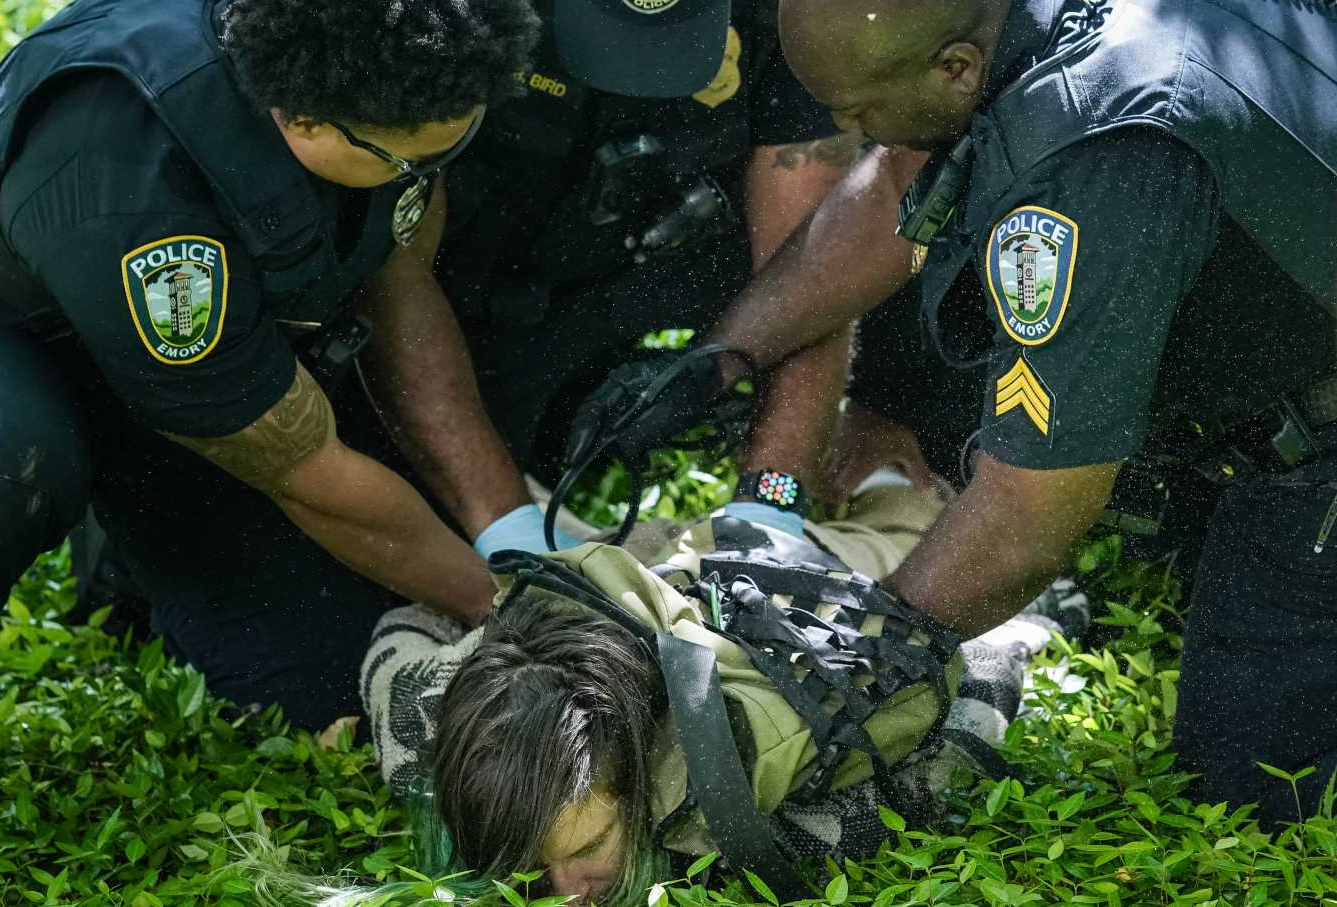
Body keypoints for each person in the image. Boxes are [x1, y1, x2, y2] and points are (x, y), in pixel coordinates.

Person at [0, 0, 543, 768]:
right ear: (305, 121)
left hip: (229, 359)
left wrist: (515, 537)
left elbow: (395, 267)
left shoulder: (389, 70)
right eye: (411, 163)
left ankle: (126, 550)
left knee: (351, 627)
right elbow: (304, 467)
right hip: (3, 333)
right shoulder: (136, 179)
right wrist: (510, 607)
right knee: (4, 456)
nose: (432, 173)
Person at [751, 0, 1337, 821]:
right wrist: (727, 350)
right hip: (1286, 331)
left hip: (1313, 444)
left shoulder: (1102, 159)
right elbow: (892, 181)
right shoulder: (1035, 32)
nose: (844, 126)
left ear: (955, 68)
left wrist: (855, 657)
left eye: (855, 110)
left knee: (1253, 793)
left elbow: (1025, 520)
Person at [347, 477, 1088, 904]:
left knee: (914, 502)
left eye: (589, 849)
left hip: (805, 591)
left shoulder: (761, 813)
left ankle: (888, 468)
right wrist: (493, 632)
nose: (569, 892)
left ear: (638, 780)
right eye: (537, 870)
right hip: (639, 568)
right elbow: (399, 626)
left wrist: (1031, 629)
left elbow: (980, 669)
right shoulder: (425, 728)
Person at [431, 0, 879, 540]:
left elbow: (811, 268)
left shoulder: (797, 17)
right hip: (440, 297)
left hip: (619, 298)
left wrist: (770, 507)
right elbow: (393, 272)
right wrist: (506, 527)